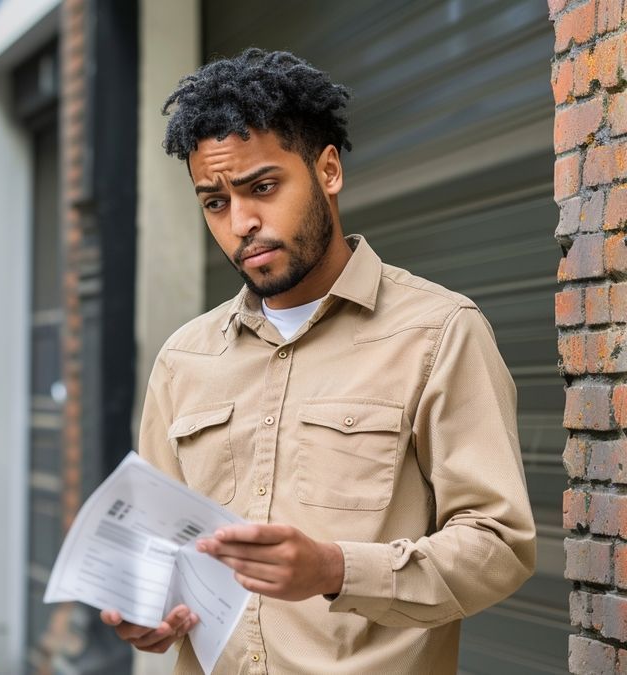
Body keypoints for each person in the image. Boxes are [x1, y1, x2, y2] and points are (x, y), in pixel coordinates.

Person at [101, 49, 536, 674]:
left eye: (262, 187)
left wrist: (335, 568)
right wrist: (148, 613)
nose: (241, 223)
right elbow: (158, 553)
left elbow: (500, 546)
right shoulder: (184, 359)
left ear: (328, 170)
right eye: (214, 203)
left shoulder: (438, 333)